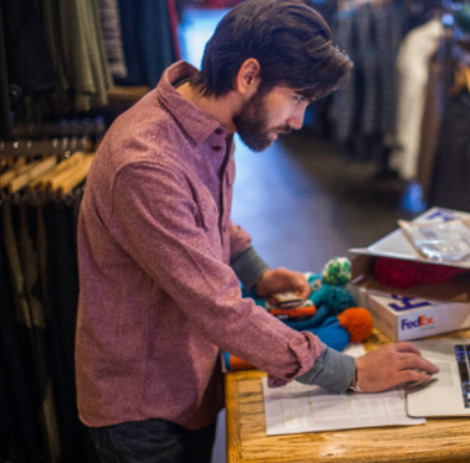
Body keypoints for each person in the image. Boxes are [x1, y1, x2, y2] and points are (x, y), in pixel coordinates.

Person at [74, 1, 438, 462]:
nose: (298, 120)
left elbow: (205, 217)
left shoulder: (202, 118)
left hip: (187, 376)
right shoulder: (146, 163)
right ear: (248, 76)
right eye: (298, 98)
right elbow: (219, 309)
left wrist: (257, 272)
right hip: (143, 407)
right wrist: (350, 373)